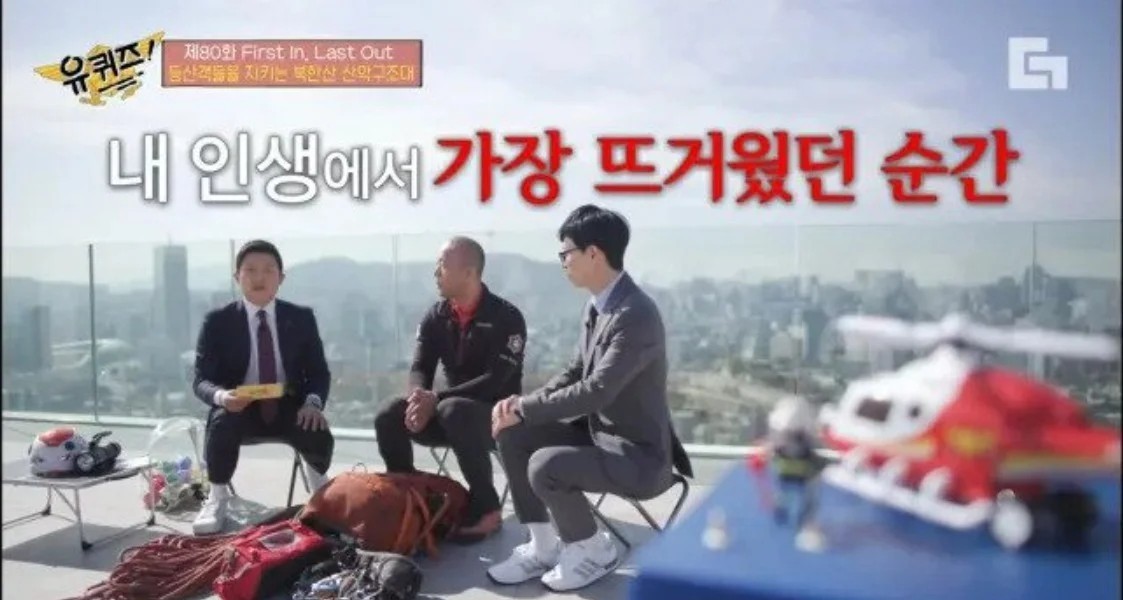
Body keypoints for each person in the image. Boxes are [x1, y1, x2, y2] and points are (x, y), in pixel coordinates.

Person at [487, 204, 691, 592]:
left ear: (593, 253)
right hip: (600, 439)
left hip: (638, 458)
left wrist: (526, 408)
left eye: (566, 253)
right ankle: (544, 546)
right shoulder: (597, 305)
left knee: (546, 465)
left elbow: (597, 390)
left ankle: (594, 550)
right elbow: (574, 371)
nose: (562, 262)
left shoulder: (635, 314)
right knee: (512, 434)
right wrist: (519, 408)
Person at [374, 236, 527, 543]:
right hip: (449, 417)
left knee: (453, 409)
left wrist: (436, 399)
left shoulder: (507, 317)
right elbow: (420, 366)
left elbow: (495, 380)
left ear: (469, 272)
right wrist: (418, 397)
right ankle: (408, 498)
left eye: (442, 265)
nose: (435, 272)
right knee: (389, 413)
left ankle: (487, 509)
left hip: (498, 420)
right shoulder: (437, 315)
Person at [191, 239, 334, 535]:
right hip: (239, 406)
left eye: (269, 270)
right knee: (221, 423)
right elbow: (201, 379)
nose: (260, 277)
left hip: (288, 404)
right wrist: (222, 397)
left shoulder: (301, 318)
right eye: (251, 270)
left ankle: (321, 491)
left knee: (314, 423)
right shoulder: (217, 322)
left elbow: (318, 372)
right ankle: (217, 497)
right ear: (237, 277)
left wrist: (312, 402)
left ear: (281, 278)